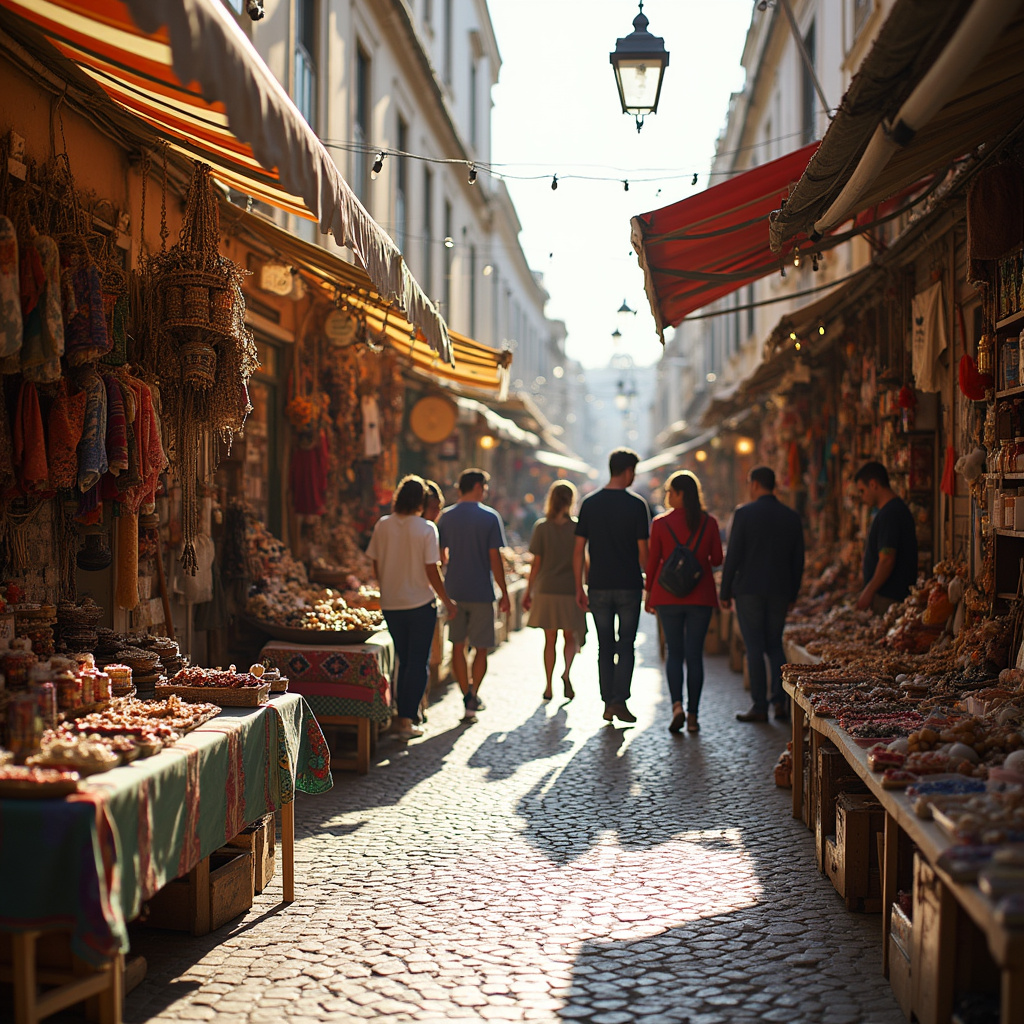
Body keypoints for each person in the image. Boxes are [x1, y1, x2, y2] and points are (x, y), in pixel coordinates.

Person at [366, 475, 457, 740]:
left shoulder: (383, 525)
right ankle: (405, 719)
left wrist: (387, 585)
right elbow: (432, 569)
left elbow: (375, 562)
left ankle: (401, 714)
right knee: (417, 662)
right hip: (419, 604)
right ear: (421, 501)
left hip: (391, 604)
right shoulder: (426, 528)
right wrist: (447, 600)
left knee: (403, 660)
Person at [719, 466, 805, 724]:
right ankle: (779, 703)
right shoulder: (790, 516)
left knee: (754, 646)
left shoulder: (744, 513)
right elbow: (798, 560)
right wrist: (793, 592)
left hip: (748, 590)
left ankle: (759, 706)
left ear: (755, 484)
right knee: (774, 644)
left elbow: (732, 555)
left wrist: (725, 590)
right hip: (779, 589)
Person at [574, 448, 651, 724]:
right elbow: (645, 552)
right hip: (629, 585)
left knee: (604, 646)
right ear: (628, 471)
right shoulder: (637, 505)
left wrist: (579, 587)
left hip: (599, 585)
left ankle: (608, 701)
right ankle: (620, 700)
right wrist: (648, 581)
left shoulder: (589, 503)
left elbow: (579, 548)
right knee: (626, 645)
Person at [644, 471, 723, 734]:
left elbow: (653, 562)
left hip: (667, 597)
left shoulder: (660, 523)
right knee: (694, 655)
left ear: (680, 493)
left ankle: (676, 706)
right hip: (700, 596)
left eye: (669, 491)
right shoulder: (709, 522)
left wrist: (649, 594)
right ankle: (692, 716)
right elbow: (717, 560)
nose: (667, 496)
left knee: (674, 654)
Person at [437, 468, 511, 719]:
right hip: (482, 591)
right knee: (480, 647)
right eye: (486, 487)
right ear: (478, 487)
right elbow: (495, 559)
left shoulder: (446, 517)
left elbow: (440, 556)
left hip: (454, 590)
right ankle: (472, 697)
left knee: (457, 645)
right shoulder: (490, 517)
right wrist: (504, 592)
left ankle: (465, 694)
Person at [523, 481, 587, 702]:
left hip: (546, 589)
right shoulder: (577, 527)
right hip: (569, 589)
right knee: (570, 637)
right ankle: (566, 673)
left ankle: (548, 686)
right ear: (571, 500)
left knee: (549, 640)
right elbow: (583, 562)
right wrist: (583, 588)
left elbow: (536, 564)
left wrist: (528, 591)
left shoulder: (542, 527)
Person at [853, 460, 918, 614]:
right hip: (889, 596)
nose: (862, 497)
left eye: (862, 490)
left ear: (874, 484)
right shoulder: (892, 510)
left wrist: (868, 592)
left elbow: (887, 559)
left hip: (889, 598)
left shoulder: (890, 514)